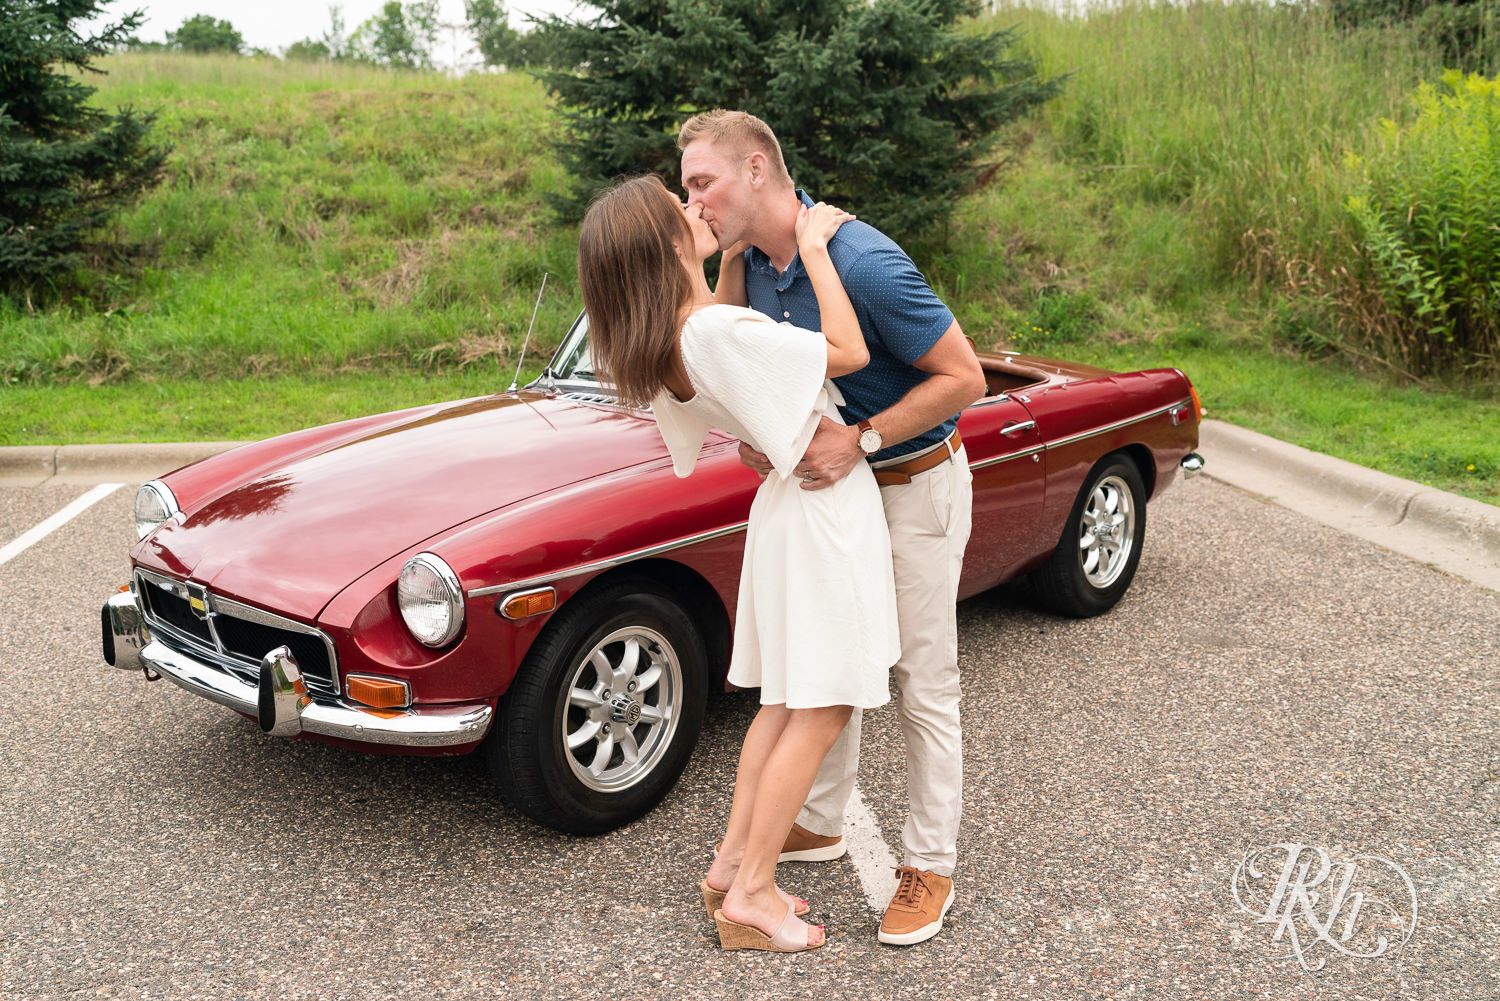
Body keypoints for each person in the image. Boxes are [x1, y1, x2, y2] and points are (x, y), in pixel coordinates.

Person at [679, 110, 987, 946]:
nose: (692, 200)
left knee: (923, 680)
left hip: (913, 482)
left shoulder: (860, 258)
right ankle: (816, 821)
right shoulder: (753, 265)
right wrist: (764, 436)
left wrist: (863, 438)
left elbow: (966, 376)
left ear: (754, 170)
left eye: (701, 182)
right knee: (823, 667)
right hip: (827, 499)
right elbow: (738, 367)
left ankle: (928, 861)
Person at [577, 175, 900, 953]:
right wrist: (817, 250)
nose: (697, 208)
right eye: (680, 209)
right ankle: (753, 893)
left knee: (783, 703)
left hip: (785, 509)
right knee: (821, 706)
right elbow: (849, 352)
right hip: (822, 511)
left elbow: (721, 316)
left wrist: (727, 253)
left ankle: (731, 863)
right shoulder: (712, 334)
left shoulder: (674, 340)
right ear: (665, 246)